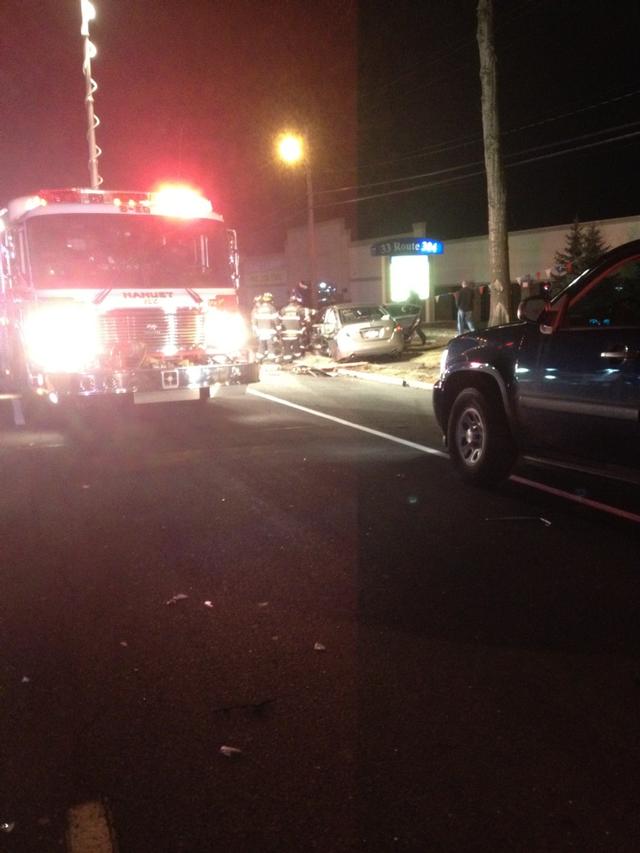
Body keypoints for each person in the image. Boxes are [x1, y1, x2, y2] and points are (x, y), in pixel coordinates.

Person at [251, 292, 279, 359]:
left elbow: (254, 319)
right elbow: (276, 319)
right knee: (270, 343)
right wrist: (278, 327)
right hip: (269, 330)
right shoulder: (272, 308)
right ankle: (271, 355)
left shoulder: (258, 309)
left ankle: (260, 355)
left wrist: (254, 328)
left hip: (260, 330)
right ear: (271, 300)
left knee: (262, 343)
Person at [278, 294, 305, 360]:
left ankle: (287, 357)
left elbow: (280, 317)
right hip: (295, 330)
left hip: (286, 331)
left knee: (287, 344)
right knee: (296, 343)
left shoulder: (283, 309)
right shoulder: (298, 309)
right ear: (296, 302)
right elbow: (303, 317)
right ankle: (297, 355)